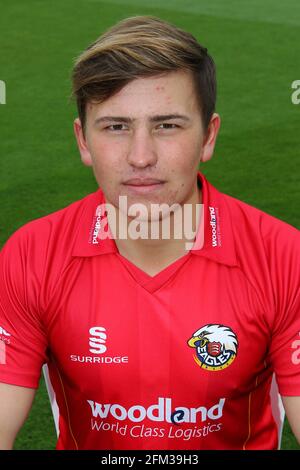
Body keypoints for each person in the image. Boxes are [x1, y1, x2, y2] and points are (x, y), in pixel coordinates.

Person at [0, 15, 299, 451]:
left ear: (208, 137)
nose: (141, 157)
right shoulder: (33, 254)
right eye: (117, 127)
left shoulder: (283, 257)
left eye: (167, 125)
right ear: (83, 141)